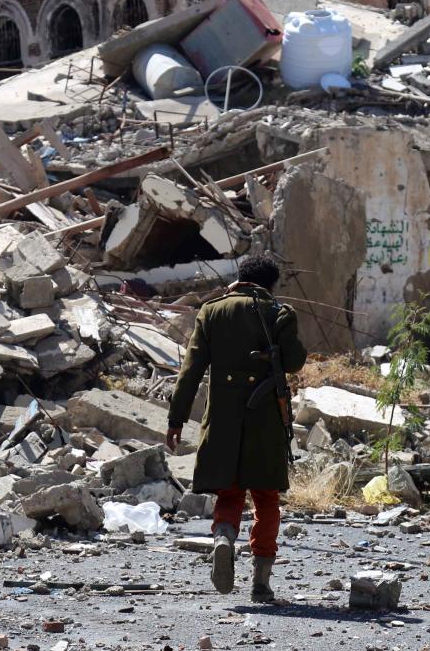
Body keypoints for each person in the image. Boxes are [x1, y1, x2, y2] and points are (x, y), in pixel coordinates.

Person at [166, 253, 307, 601]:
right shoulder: (278, 314)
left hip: (223, 421)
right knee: (266, 498)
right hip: (265, 423)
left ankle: (224, 539)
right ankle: (261, 583)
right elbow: (295, 362)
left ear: (240, 277)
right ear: (270, 283)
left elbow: (190, 372)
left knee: (229, 493)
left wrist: (176, 418)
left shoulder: (211, 311)